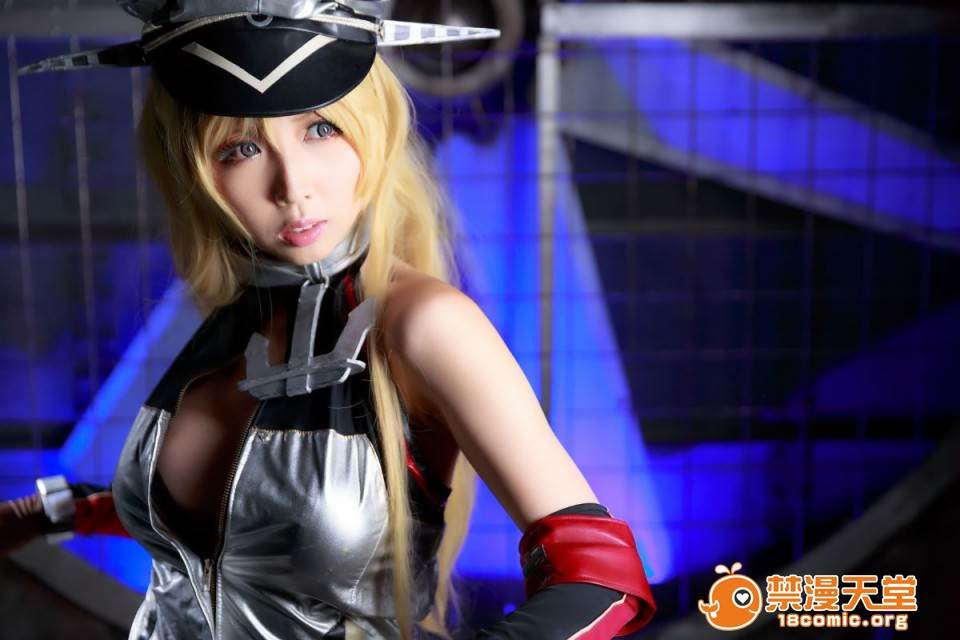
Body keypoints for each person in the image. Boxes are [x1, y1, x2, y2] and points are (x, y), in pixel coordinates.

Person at [0, 2, 656, 638]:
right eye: (240, 148)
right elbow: (237, 522)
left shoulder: (424, 325)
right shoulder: (234, 320)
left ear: (373, 129)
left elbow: (602, 582)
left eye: (320, 129)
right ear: (191, 171)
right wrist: (48, 511)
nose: (293, 187)